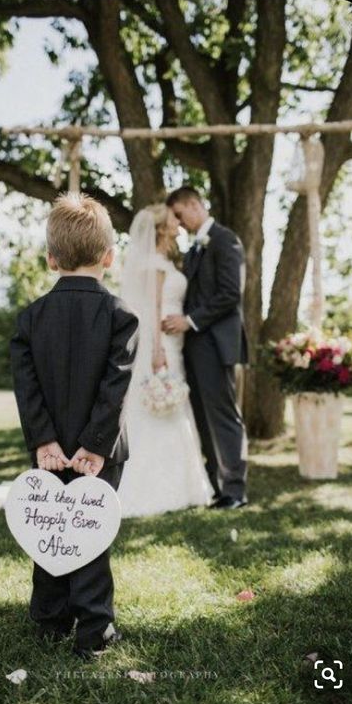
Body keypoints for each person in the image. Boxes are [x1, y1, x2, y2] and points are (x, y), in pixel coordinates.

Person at [10, 192, 139, 657]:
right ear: (109, 255)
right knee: (90, 529)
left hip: (50, 449)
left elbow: (27, 390)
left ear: (50, 259)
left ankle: (49, 619)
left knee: (47, 524)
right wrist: (97, 445)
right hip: (99, 452)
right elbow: (116, 387)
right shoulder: (122, 316)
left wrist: (45, 439)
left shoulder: (30, 318)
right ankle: (94, 630)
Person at [117, 204, 212, 517]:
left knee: (172, 406)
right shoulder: (155, 264)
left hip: (173, 342)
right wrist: (157, 351)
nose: (177, 221)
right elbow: (152, 311)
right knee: (160, 408)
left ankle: (183, 483)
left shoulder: (164, 260)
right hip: (160, 345)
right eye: (172, 218)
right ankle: (155, 486)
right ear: (160, 228)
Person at [164, 187, 248, 510]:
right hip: (193, 349)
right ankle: (217, 486)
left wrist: (189, 321)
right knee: (202, 417)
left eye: (181, 215)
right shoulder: (195, 249)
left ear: (194, 205)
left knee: (224, 417)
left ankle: (235, 491)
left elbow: (229, 294)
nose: (180, 223)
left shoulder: (226, 240)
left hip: (215, 343)